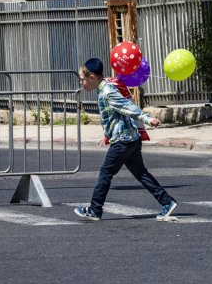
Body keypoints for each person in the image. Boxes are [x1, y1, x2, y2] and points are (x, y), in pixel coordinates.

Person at [74, 58, 178, 222]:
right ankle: (167, 201)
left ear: (92, 77)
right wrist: (108, 135)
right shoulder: (105, 88)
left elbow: (126, 106)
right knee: (141, 173)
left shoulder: (107, 92)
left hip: (123, 141)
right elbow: (112, 117)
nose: (81, 82)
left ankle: (95, 210)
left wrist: (147, 119)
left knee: (105, 173)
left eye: (82, 79)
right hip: (130, 138)